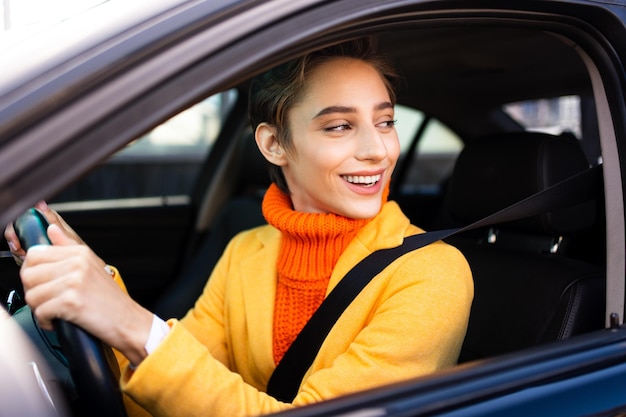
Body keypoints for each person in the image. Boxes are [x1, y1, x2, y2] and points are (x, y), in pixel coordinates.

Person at [5, 38, 473, 417]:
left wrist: (127, 320)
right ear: (273, 144)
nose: (379, 150)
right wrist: (90, 286)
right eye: (339, 127)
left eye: (386, 121)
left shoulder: (431, 274)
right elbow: (157, 393)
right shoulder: (247, 250)